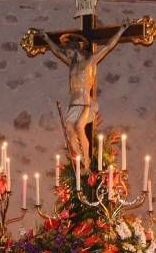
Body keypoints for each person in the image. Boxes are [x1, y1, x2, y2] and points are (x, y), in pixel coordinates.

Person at [40, 22, 130, 167]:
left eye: (69, 50)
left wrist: (121, 31)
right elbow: (57, 51)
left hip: (84, 102)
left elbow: (107, 47)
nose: (66, 53)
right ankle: (81, 159)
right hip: (73, 104)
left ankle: (87, 162)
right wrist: (46, 39)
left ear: (76, 49)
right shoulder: (72, 63)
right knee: (69, 130)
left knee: (79, 127)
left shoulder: (90, 62)